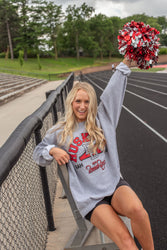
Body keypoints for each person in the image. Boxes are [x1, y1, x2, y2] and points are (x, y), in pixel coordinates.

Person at [33, 58, 154, 250]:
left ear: (92, 103)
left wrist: (125, 63)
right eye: (78, 101)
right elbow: (38, 153)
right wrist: (52, 149)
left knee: (139, 211)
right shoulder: (60, 131)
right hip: (91, 198)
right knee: (126, 242)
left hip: (114, 185)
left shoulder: (102, 118)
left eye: (87, 101)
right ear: (71, 102)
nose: (82, 106)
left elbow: (113, 91)